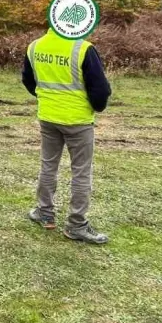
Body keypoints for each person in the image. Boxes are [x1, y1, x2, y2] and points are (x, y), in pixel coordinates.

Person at [21, 27, 113, 244]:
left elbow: (28, 80)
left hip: (48, 116)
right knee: (81, 172)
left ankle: (44, 213)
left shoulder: (35, 46)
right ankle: (76, 224)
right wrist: (96, 107)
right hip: (78, 120)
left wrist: (47, 97)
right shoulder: (83, 48)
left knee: (48, 165)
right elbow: (100, 90)